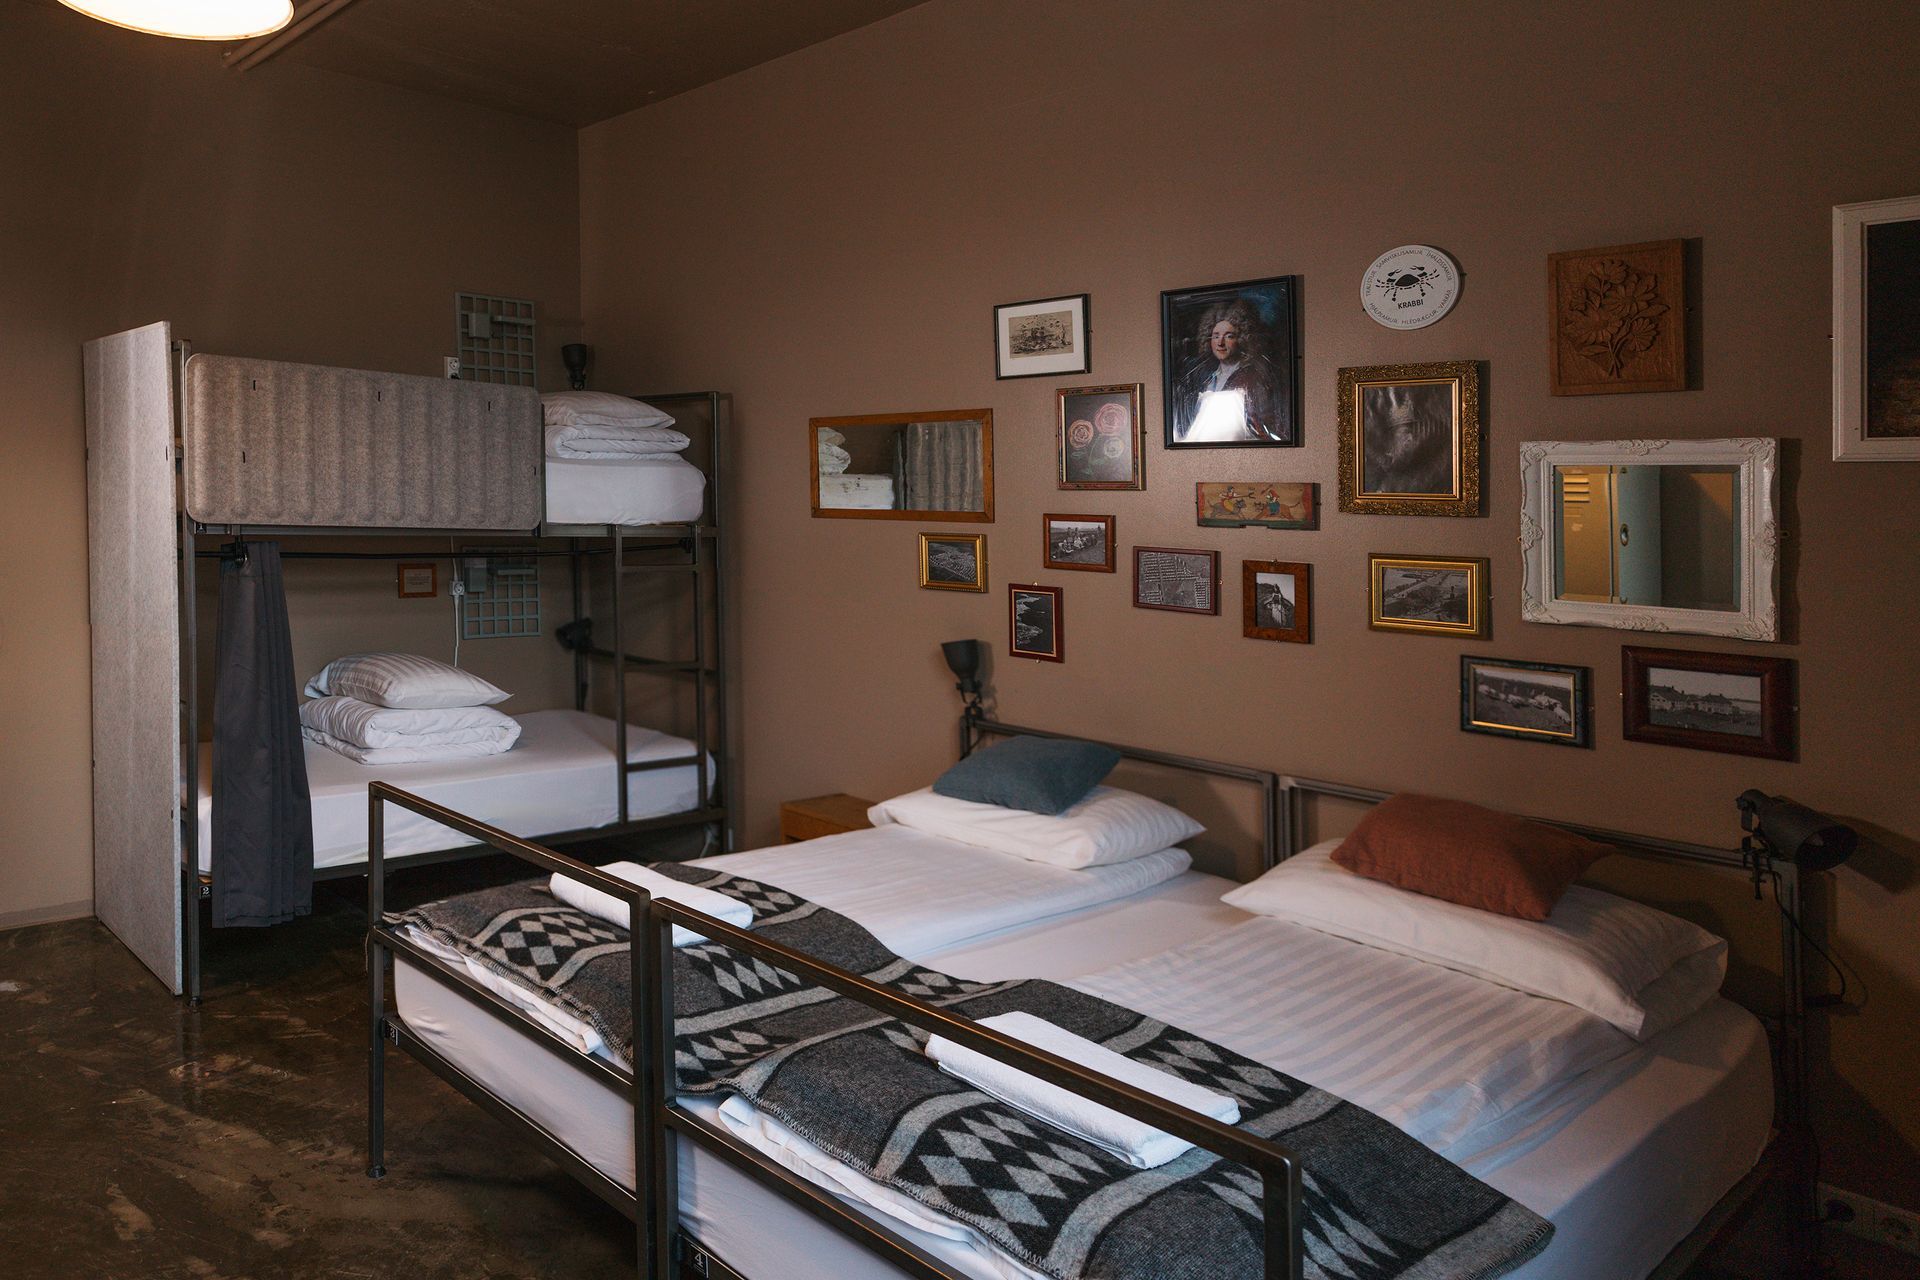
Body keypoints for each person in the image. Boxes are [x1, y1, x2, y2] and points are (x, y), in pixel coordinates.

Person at [1174, 299, 1286, 443]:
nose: (1220, 343)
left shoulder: (1252, 378)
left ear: (1243, 339)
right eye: (1215, 336)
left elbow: (1263, 427)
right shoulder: (1205, 378)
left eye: (1229, 336)